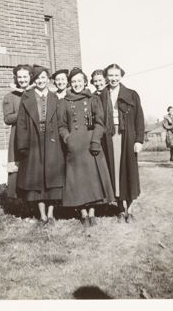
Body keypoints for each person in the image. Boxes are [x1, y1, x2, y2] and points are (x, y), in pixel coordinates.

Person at [57, 67, 115, 227]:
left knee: (92, 180)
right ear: (70, 83)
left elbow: (100, 122)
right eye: (73, 81)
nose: (76, 84)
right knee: (79, 182)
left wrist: (96, 141)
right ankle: (83, 213)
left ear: (84, 82)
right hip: (74, 148)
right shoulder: (64, 102)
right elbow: (61, 125)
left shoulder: (93, 99)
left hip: (91, 145)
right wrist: (67, 139)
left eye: (79, 81)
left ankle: (92, 213)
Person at [16, 65, 65, 225]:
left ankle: (51, 214)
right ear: (33, 80)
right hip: (34, 142)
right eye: (37, 78)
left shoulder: (54, 97)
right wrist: (23, 146)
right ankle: (42, 214)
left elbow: (60, 121)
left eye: (43, 77)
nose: (41, 81)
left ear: (48, 79)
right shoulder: (27, 97)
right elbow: (22, 123)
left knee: (52, 179)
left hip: (53, 142)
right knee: (38, 180)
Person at [100, 63, 145, 222]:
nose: (113, 78)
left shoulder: (131, 94)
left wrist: (139, 140)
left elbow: (139, 118)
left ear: (121, 76)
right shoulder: (101, 95)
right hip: (109, 137)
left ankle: (130, 209)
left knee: (128, 171)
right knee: (114, 171)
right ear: (106, 76)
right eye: (110, 75)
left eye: (116, 75)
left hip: (128, 137)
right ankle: (120, 209)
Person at [2, 64, 33, 199]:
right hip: (17, 137)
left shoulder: (36, 93)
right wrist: (23, 111)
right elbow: (8, 119)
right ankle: (19, 205)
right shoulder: (10, 96)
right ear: (16, 78)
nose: (22, 80)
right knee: (18, 170)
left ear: (30, 77)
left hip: (35, 137)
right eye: (19, 77)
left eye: (25, 76)